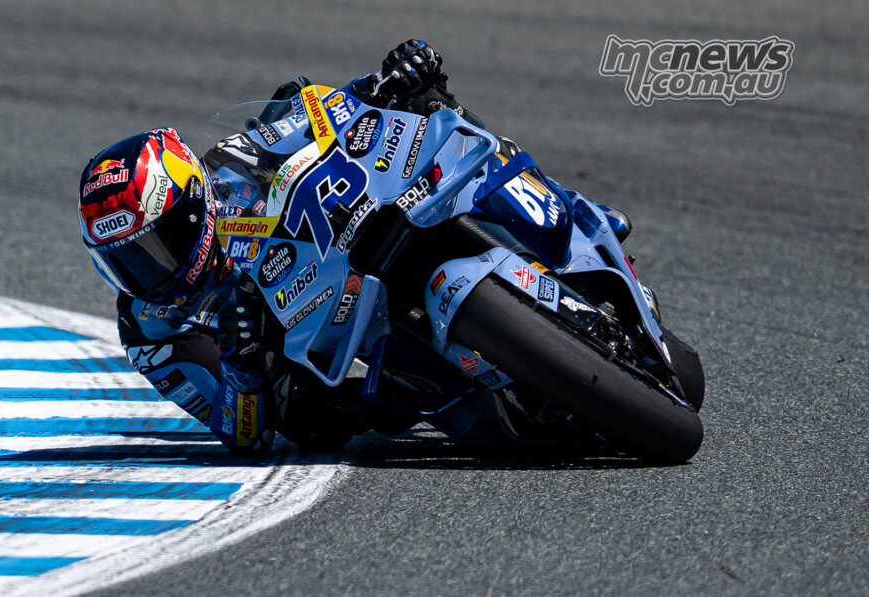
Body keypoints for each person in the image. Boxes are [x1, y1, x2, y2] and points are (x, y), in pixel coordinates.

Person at [78, 40, 629, 454]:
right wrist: (242, 364)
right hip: (321, 341)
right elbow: (239, 435)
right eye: (127, 260)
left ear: (194, 202)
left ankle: (573, 218)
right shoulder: (151, 328)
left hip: (346, 246)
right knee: (309, 419)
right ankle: (466, 397)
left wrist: (387, 83)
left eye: (158, 244)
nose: (151, 270)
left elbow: (317, 114)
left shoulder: (235, 166)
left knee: (439, 118)